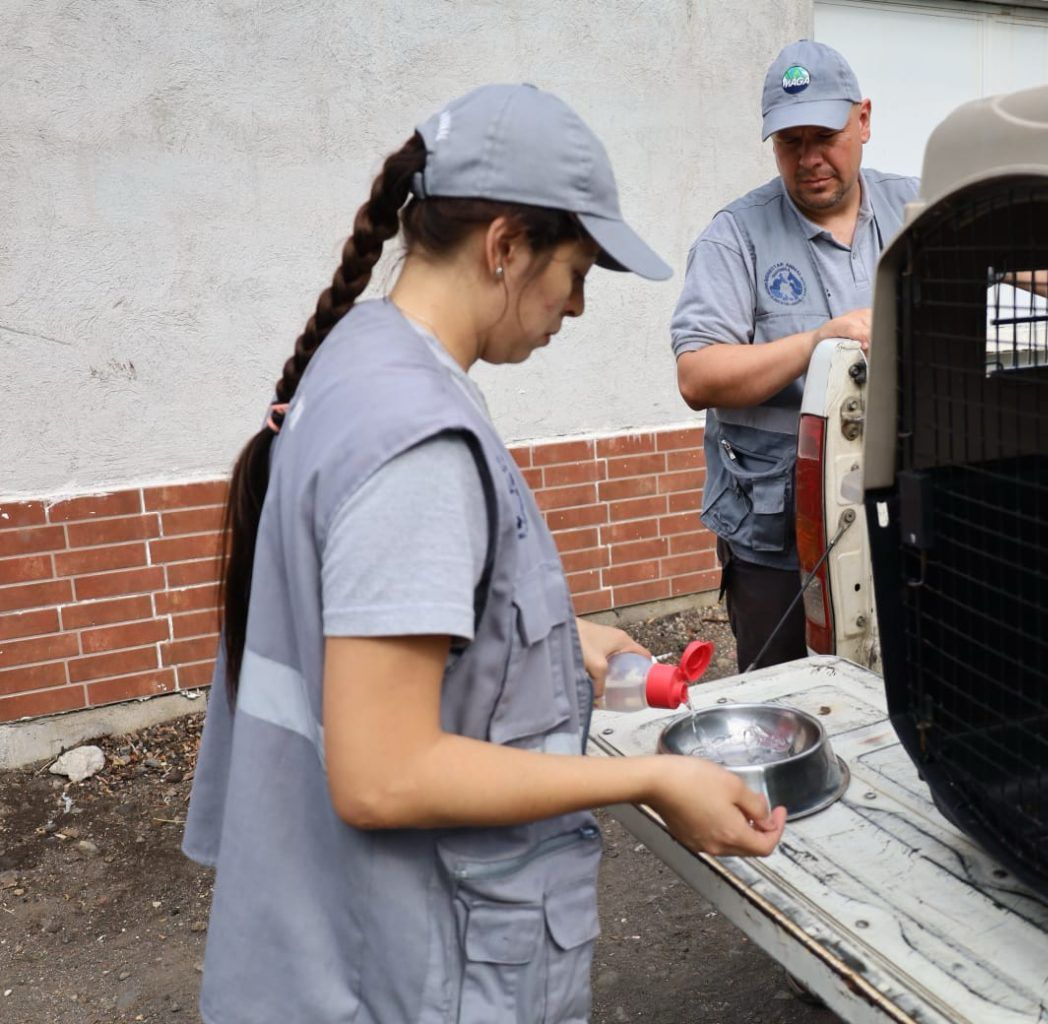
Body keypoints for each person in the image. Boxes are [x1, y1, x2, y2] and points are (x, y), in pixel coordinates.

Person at [182, 84, 786, 1024]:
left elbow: (379, 620)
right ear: (505, 246)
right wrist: (653, 778)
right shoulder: (417, 440)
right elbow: (385, 775)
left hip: (318, 939)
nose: (577, 307)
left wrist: (558, 637)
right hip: (408, 968)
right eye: (576, 272)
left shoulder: (356, 363)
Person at [671, 40, 919, 672]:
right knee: (783, 697)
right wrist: (815, 342)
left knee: (905, 683)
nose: (809, 160)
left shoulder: (914, 208)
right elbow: (698, 375)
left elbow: (1022, 250)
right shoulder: (737, 237)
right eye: (790, 142)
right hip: (777, 538)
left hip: (899, 515)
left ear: (863, 120)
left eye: (824, 135)